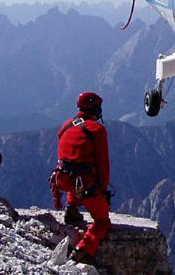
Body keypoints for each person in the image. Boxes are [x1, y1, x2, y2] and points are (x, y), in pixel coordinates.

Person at [50, 92, 111, 266]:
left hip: (61, 178)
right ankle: (82, 251)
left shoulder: (66, 126)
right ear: (96, 108)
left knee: (78, 182)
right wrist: (102, 191)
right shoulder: (97, 130)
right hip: (84, 183)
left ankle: (72, 208)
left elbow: (65, 156)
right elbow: (102, 165)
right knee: (102, 221)